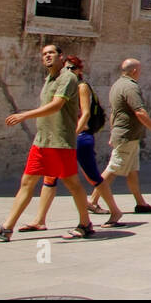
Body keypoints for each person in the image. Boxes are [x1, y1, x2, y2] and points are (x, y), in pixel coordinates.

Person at [0, 44, 98, 241]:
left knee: (72, 183)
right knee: (27, 182)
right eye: (44, 54)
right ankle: (7, 228)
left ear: (61, 57)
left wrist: (24, 115)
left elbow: (57, 105)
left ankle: (85, 224)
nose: (47, 56)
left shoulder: (68, 77)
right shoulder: (49, 79)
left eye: (51, 53)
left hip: (60, 142)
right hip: (42, 141)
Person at [18, 56, 123, 230]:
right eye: (65, 67)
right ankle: (40, 220)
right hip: (61, 139)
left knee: (91, 176)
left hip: (79, 138)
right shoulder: (61, 84)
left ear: (79, 69)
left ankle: (114, 211)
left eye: (72, 67)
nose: (68, 70)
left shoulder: (81, 86)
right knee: (49, 177)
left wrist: (74, 133)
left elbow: (86, 113)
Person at [89, 58, 151, 214]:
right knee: (113, 168)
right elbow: (139, 111)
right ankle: (92, 201)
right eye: (140, 70)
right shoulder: (130, 87)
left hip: (125, 134)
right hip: (127, 134)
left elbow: (114, 113)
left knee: (132, 170)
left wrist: (112, 131)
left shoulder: (117, 85)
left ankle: (140, 203)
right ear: (135, 71)